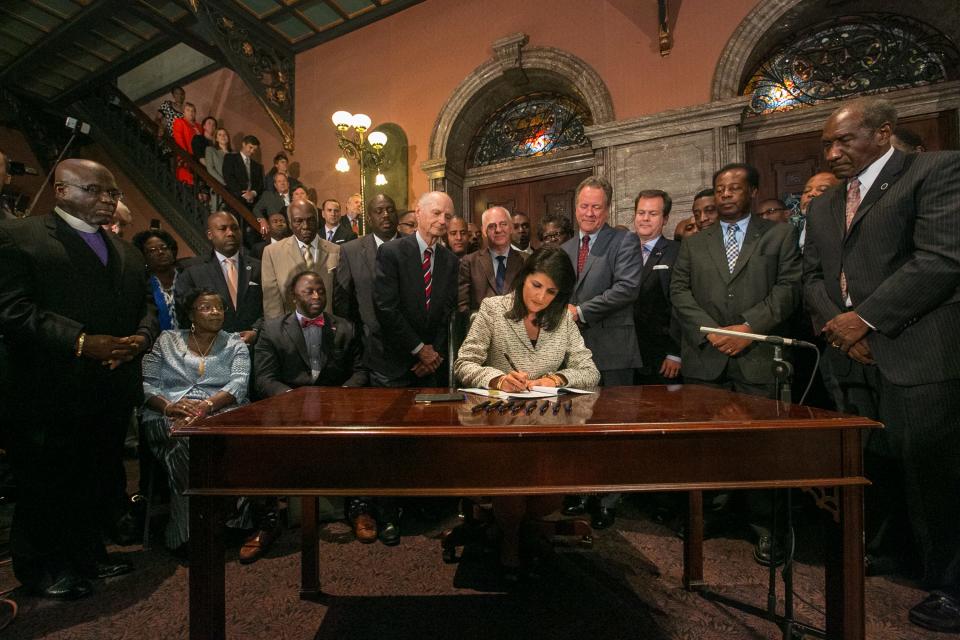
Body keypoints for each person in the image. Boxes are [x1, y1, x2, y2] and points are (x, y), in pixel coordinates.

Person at [803, 97, 960, 634]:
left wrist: (866, 319)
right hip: (850, 358)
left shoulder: (932, 172)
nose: (834, 151)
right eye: (827, 143)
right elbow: (810, 277)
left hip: (917, 350)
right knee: (878, 467)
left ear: (884, 133)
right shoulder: (825, 204)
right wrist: (841, 329)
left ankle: (952, 585)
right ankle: (891, 552)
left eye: (844, 140)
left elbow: (940, 259)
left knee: (935, 473)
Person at [0, 159, 157, 599]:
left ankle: (90, 553)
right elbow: (13, 310)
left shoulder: (125, 251)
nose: (107, 199)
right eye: (95, 190)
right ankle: (44, 568)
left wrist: (140, 338)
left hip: (109, 387)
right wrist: (84, 342)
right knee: (47, 483)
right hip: (47, 389)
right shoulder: (21, 237)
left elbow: (145, 305)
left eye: (112, 193)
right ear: (62, 190)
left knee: (97, 477)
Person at [671, 163, 801, 565]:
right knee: (706, 447)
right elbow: (679, 290)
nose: (726, 194)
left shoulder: (779, 235)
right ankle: (710, 514)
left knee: (761, 447)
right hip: (706, 359)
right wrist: (710, 331)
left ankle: (766, 527)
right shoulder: (695, 242)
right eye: (720, 188)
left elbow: (789, 288)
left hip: (757, 358)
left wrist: (746, 328)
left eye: (735, 188)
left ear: (753, 192)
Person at [454, 246, 599, 578]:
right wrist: (499, 378)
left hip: (548, 421)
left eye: (551, 291)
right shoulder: (493, 309)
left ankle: (524, 529)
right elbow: (464, 364)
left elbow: (589, 371)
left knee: (548, 485)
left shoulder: (561, 317)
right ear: (523, 279)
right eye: (536, 285)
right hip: (498, 422)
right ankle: (510, 541)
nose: (541, 297)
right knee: (513, 472)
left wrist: (557, 377)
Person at [560, 175, 642, 529]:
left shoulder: (623, 240)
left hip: (613, 351)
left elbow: (627, 288)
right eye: (584, 206)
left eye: (596, 206)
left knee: (614, 429)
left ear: (608, 209)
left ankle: (609, 499)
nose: (589, 213)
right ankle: (581, 491)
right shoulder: (564, 249)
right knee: (578, 428)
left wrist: (581, 311)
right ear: (575, 208)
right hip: (573, 357)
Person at [141, 289, 250, 553]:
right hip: (167, 413)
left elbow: (239, 383)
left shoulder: (234, 343)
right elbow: (147, 383)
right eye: (206, 308)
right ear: (191, 314)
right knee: (187, 439)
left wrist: (206, 406)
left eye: (219, 308)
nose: (215, 312)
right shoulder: (167, 340)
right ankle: (200, 530)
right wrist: (170, 407)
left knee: (214, 441)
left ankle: (214, 526)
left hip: (219, 413)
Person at [332, 194, 401, 543]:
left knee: (400, 437)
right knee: (368, 434)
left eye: (390, 209)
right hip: (367, 356)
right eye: (379, 211)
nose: (386, 215)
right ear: (368, 217)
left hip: (405, 356)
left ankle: (396, 508)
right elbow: (343, 304)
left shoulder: (407, 246)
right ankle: (364, 507)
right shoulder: (351, 250)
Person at [373, 191, 459, 388]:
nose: (442, 220)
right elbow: (386, 308)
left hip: (433, 367)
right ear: (418, 213)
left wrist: (434, 355)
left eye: (448, 216)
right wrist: (419, 349)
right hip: (396, 365)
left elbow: (448, 312)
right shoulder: (391, 252)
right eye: (436, 213)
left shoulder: (451, 261)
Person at [255, 271, 366, 395]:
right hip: (289, 401)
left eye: (321, 291)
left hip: (335, 401)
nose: (316, 296)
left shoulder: (346, 328)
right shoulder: (272, 330)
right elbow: (264, 378)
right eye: (309, 292)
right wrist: (290, 397)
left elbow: (360, 371)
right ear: (293, 296)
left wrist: (342, 394)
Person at [176, 211, 263, 345]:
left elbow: (270, 306)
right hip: (210, 350)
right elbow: (184, 313)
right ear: (210, 234)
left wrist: (256, 331)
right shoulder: (192, 270)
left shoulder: (259, 267)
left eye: (235, 228)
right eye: (223, 229)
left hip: (253, 349)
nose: (230, 233)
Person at [631, 189, 681, 384]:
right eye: (641, 213)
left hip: (661, 356)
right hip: (627, 354)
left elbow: (679, 307)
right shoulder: (621, 252)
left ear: (665, 218)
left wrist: (675, 353)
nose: (645, 219)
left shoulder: (677, 252)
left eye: (653, 214)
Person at [261, 199, 339, 319]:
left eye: (310, 220)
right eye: (298, 221)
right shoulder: (272, 253)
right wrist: (280, 333)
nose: (305, 226)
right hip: (291, 331)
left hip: (329, 329)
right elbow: (272, 303)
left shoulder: (336, 251)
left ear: (318, 220)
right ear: (290, 223)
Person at [458, 206, 525, 313]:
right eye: (492, 226)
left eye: (503, 224)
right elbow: (462, 305)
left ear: (511, 228)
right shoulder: (470, 262)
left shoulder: (525, 261)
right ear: (484, 231)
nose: (498, 230)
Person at [133, 229, 182, 331]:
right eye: (152, 250)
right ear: (143, 256)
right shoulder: (141, 283)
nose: (160, 252)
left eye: (164, 248)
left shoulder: (187, 276)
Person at [222, 135, 267, 240]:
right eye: (250, 147)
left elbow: (260, 185)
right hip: (235, 199)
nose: (252, 151)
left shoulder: (257, 166)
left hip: (252, 202)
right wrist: (243, 194)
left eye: (254, 149)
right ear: (243, 144)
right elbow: (229, 178)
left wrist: (253, 193)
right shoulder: (230, 158)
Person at [796, 171, 839, 251]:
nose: (811, 194)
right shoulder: (792, 231)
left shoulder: (842, 229)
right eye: (806, 191)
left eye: (822, 190)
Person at [171, 102, 202, 186]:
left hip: (199, 158)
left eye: (193, 111)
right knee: (187, 180)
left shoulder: (199, 126)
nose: (191, 113)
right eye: (188, 110)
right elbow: (179, 140)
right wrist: (186, 156)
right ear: (183, 112)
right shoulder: (180, 122)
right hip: (186, 156)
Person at [204, 127, 232, 212]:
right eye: (220, 135)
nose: (223, 136)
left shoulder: (234, 154)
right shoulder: (211, 150)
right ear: (216, 138)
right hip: (218, 185)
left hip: (232, 189)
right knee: (217, 212)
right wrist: (224, 183)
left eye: (225, 134)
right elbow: (210, 168)